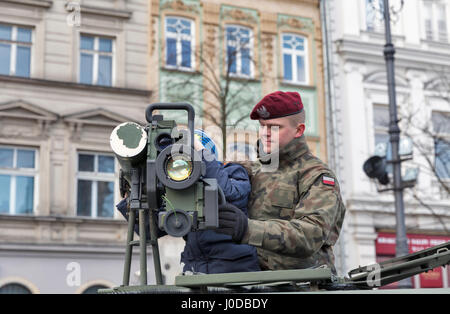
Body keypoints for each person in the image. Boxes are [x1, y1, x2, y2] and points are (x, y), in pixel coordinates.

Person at [215, 91, 346, 274]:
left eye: (274, 127)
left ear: (298, 130)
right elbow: (216, 173)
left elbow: (310, 235)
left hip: (302, 286)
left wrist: (247, 229)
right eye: (262, 126)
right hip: (253, 283)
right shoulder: (253, 170)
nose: (266, 134)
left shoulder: (316, 176)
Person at [116, 129, 260, 274]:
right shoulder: (178, 190)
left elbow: (228, 194)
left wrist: (198, 147)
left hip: (236, 269)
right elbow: (149, 230)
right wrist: (133, 196)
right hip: (197, 271)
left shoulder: (233, 171)